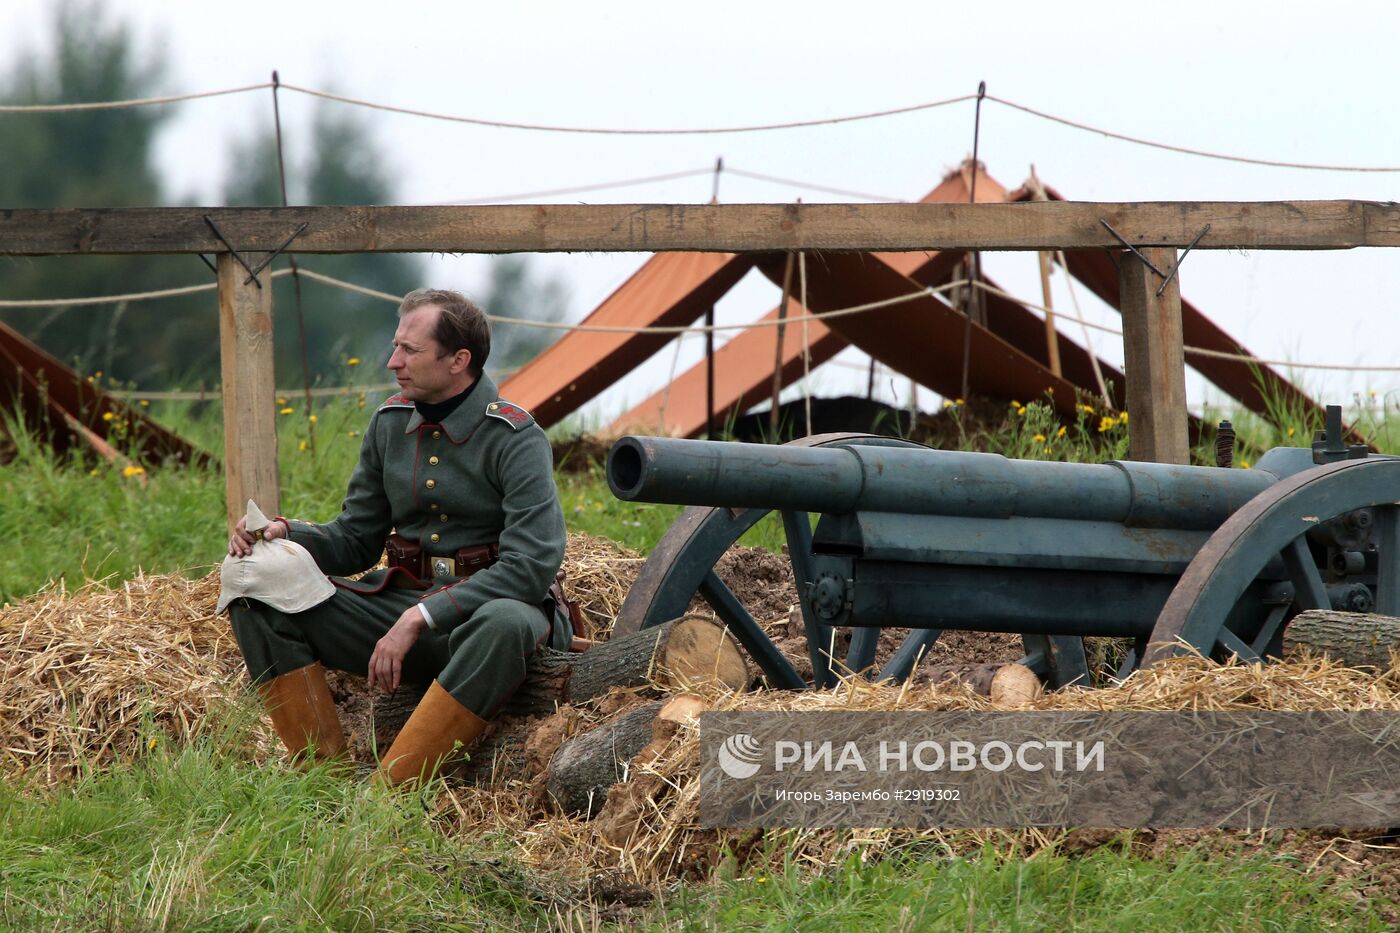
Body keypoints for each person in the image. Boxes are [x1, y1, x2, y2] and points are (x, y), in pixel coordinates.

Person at [225, 287, 569, 786]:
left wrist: (421, 616)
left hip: (480, 622)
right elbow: (355, 541)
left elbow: (529, 568)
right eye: (396, 347)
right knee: (255, 587)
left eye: (410, 350)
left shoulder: (516, 438)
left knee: (506, 624)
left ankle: (389, 796)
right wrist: (285, 533)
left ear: (458, 360)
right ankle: (322, 782)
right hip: (398, 608)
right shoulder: (388, 424)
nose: (393, 362)